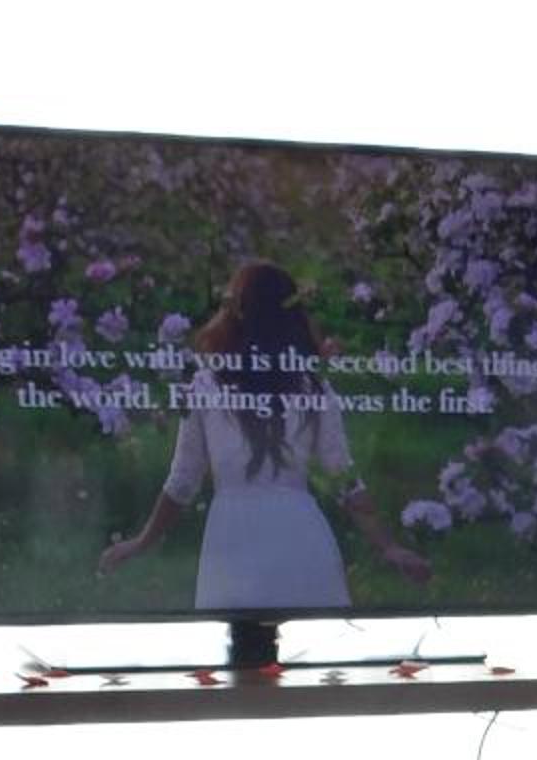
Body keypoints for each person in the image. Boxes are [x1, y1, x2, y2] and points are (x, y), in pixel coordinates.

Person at [97, 259, 431, 605]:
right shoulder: (310, 387)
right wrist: (388, 546)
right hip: (297, 531)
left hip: (232, 537)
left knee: (240, 637)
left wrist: (142, 541)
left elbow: (184, 479)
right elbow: (344, 478)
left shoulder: (207, 386)